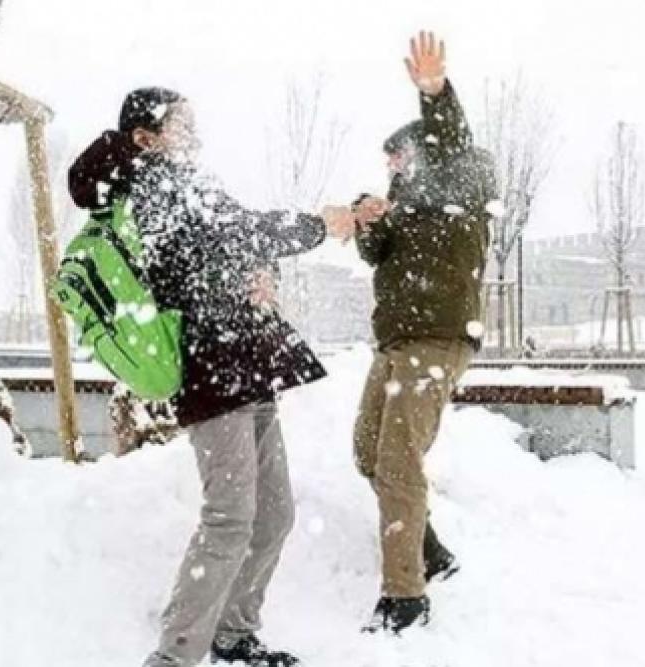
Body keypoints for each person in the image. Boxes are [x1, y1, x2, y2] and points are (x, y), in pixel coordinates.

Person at [68, 87, 357, 667]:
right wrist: (315, 226)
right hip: (212, 369)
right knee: (230, 518)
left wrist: (262, 268)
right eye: (182, 124)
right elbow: (226, 235)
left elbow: (234, 239)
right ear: (146, 137)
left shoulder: (188, 182)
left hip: (247, 363)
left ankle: (234, 631)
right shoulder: (149, 186)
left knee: (275, 515)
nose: (194, 133)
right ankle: (175, 654)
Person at [348, 31, 498, 634]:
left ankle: (405, 597)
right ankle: (430, 550)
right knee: (368, 452)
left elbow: (452, 141)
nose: (393, 168)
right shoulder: (404, 205)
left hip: (437, 341)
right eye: (388, 163)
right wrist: (367, 218)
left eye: (398, 158)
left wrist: (434, 92)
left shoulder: (464, 180)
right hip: (396, 344)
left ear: (423, 151)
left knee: (398, 461)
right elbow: (375, 253)